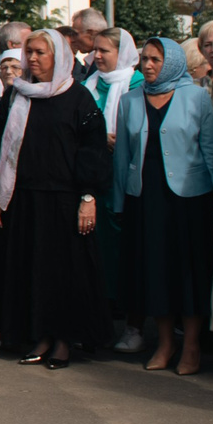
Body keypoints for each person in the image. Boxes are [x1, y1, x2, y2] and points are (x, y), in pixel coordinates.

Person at [0, 31, 111, 368]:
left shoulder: (78, 98)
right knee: (29, 269)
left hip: (65, 201)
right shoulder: (14, 97)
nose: (33, 59)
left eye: (41, 52)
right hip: (22, 199)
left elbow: (92, 151)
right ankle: (38, 335)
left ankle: (63, 341)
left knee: (63, 273)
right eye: (30, 52)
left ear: (60, 57)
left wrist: (88, 197)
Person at [115, 38, 213, 376]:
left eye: (156, 59)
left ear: (173, 62)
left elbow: (211, 150)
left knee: (189, 270)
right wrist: (119, 200)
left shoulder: (195, 97)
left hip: (190, 199)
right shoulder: (131, 100)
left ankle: (191, 344)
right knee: (155, 270)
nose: (148, 65)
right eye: (144, 59)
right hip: (146, 197)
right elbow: (122, 157)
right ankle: (165, 342)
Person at [83, 25, 142, 351]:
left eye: (105, 50)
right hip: (97, 178)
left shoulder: (136, 84)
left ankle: (129, 316)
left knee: (125, 245)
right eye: (96, 49)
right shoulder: (90, 85)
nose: (98, 56)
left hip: (126, 177)